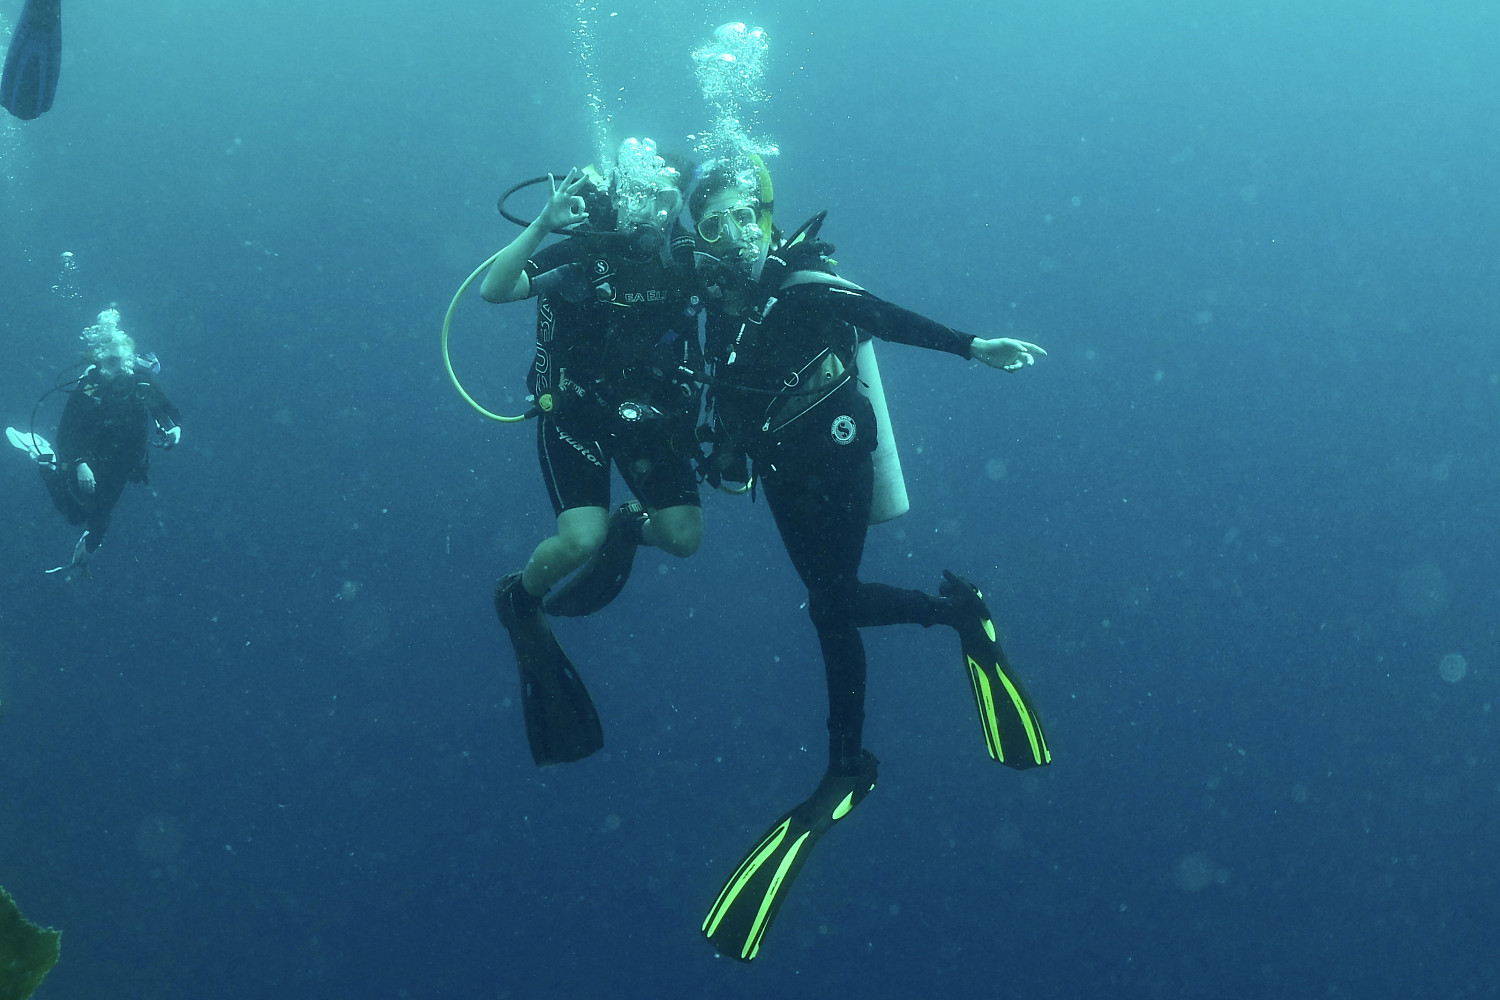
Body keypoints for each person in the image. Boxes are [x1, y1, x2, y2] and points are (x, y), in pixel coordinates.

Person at [686, 161, 1052, 961]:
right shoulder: (720, 307)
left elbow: (878, 315)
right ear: (700, 238)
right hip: (782, 470)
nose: (735, 234)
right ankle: (851, 755)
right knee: (828, 607)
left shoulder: (803, 285)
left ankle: (943, 633)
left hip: (838, 447)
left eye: (745, 216)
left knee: (833, 600)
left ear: (766, 217)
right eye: (714, 224)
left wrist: (972, 346)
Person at [479, 139, 705, 766]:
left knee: (685, 537)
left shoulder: (687, 259)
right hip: (574, 411)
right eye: (639, 198)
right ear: (619, 199)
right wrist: (543, 225)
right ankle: (519, 598)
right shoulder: (585, 251)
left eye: (665, 201)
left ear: (676, 205)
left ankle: (632, 526)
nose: (650, 214)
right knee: (581, 540)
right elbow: (495, 289)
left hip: (645, 417)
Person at [7, 308, 181, 575]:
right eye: (110, 361)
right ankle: (47, 462)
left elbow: (168, 411)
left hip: (122, 466)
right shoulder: (90, 387)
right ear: (100, 360)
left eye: (122, 360)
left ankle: (85, 552)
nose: (117, 367)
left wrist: (175, 429)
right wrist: (79, 463)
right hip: (89, 461)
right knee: (75, 515)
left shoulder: (142, 385)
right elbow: (66, 433)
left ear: (130, 359)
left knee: (99, 521)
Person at [1, 0, 62, 120]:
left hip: (40, 34)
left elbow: (53, 67)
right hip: (37, 34)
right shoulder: (7, 99)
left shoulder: (43, 105)